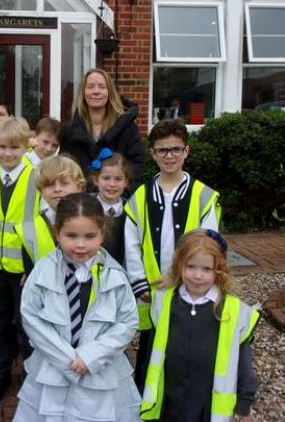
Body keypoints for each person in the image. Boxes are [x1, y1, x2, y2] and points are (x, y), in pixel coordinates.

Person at [14, 193, 140, 422]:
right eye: (71, 236)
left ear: (102, 234)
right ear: (57, 233)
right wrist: (66, 360)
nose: (81, 244)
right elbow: (31, 316)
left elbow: (127, 321)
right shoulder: (42, 271)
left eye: (90, 236)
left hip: (99, 372)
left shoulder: (115, 276)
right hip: (52, 370)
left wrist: (90, 356)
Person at [124, 118, 221, 392]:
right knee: (149, 350)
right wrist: (139, 282)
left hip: (190, 288)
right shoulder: (140, 197)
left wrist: (182, 279)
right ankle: (145, 401)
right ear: (153, 153)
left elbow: (209, 246)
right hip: (151, 291)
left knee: (184, 349)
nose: (170, 156)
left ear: (186, 152)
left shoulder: (202, 196)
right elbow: (131, 244)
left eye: (176, 149)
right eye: (163, 150)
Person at [141, 229, 260, 422]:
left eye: (206, 269)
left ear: (219, 269)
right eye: (190, 266)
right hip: (169, 403)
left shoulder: (233, 311)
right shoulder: (163, 304)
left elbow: (244, 364)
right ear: (179, 265)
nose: (197, 276)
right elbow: (151, 356)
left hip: (208, 406)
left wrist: (244, 405)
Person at [0, 116, 40, 403]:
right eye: (2, 147)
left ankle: (30, 377)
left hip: (25, 270)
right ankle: (0, 373)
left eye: (15, 147)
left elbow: (43, 223)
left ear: (26, 146)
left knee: (27, 327)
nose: (8, 153)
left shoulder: (37, 178)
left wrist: (34, 266)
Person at [59, 68, 145, 191]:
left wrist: (120, 197)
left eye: (101, 87)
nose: (96, 91)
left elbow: (136, 167)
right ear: (83, 93)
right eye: (90, 87)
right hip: (80, 204)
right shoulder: (69, 131)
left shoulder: (128, 128)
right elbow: (64, 168)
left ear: (109, 92)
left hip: (117, 203)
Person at [15, 154, 86, 274]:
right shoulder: (30, 229)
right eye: (49, 184)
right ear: (40, 190)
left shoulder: (93, 221)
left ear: (79, 186)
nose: (57, 189)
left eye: (64, 183)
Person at [89, 148, 130, 266]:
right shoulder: (86, 208)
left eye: (118, 179)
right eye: (106, 178)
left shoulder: (131, 211)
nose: (112, 184)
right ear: (96, 179)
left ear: (126, 182)